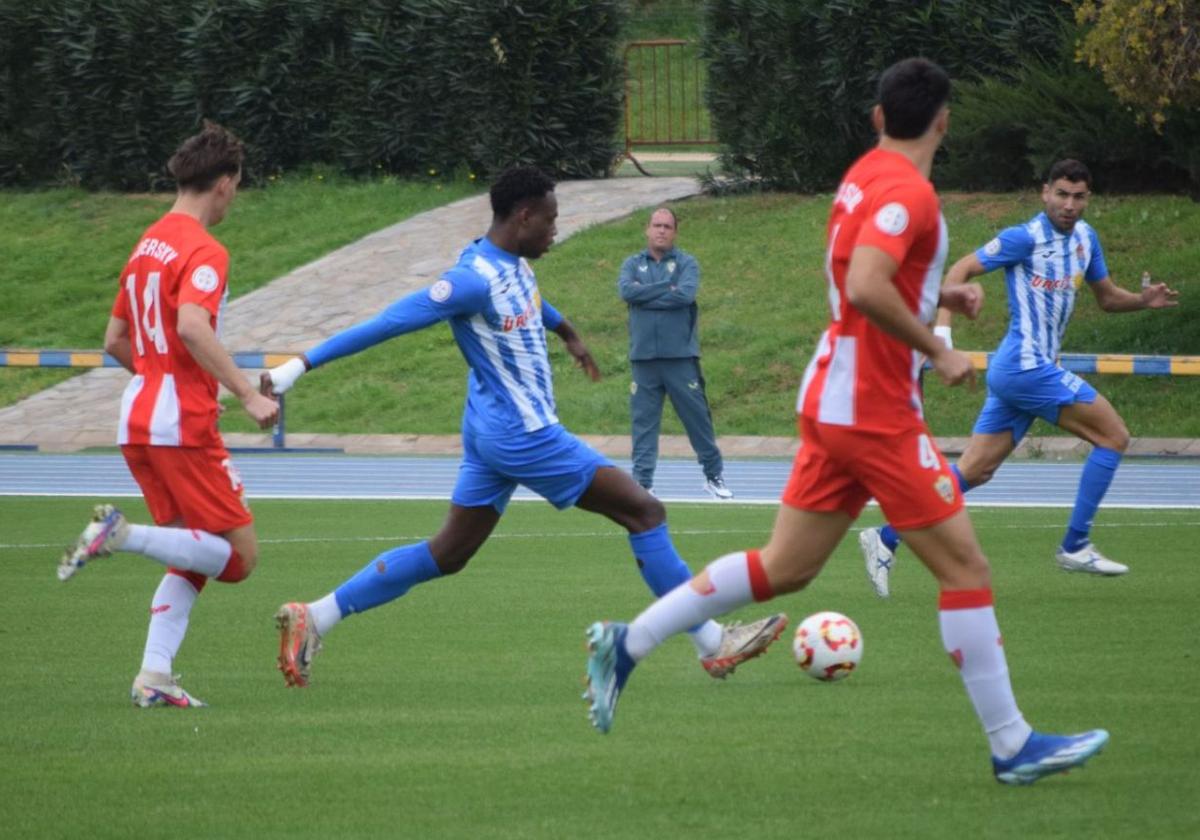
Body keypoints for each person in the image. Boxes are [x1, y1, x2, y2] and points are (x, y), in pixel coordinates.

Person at [583, 58, 1109, 786]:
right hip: (873, 406)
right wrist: (938, 349)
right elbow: (866, 285)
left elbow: (865, 278)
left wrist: (937, 302)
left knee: (787, 566)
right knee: (965, 568)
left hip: (832, 392)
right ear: (945, 121)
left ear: (877, 118)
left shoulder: (863, 175)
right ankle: (1012, 744)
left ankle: (628, 643)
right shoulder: (909, 193)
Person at [261, 166, 786, 688]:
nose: (557, 229)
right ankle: (714, 643)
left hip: (492, 430)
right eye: (552, 220)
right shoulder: (471, 280)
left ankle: (318, 615)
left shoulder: (513, 262)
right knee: (645, 511)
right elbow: (389, 322)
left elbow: (532, 301)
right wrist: (298, 366)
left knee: (448, 553)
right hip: (523, 435)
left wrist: (569, 333)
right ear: (524, 216)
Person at [859, 158, 1180, 596]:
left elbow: (1106, 299)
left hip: (1025, 373)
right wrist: (943, 336)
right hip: (1025, 367)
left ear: (1088, 198)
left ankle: (886, 536)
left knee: (975, 470)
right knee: (1114, 437)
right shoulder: (1023, 237)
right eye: (1061, 194)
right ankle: (1075, 544)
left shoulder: (1087, 239)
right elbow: (960, 270)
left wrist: (1143, 300)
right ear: (1044, 193)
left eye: (1078, 196)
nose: (1069, 204)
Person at [57, 122, 280, 708]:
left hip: (139, 418)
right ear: (225, 184)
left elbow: (114, 339)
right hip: (181, 423)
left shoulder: (146, 244)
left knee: (193, 550)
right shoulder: (204, 249)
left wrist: (158, 379)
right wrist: (245, 393)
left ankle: (153, 677)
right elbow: (190, 324)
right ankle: (120, 535)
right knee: (238, 558)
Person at [619, 208, 733, 499]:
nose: (661, 230)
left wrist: (647, 294)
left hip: (680, 357)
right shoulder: (632, 264)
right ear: (647, 229)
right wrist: (664, 288)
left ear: (675, 232)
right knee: (643, 423)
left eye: (667, 226)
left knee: (697, 419)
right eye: (656, 225)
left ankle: (713, 476)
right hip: (643, 358)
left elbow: (685, 295)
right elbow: (628, 293)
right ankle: (643, 483)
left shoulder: (686, 263)